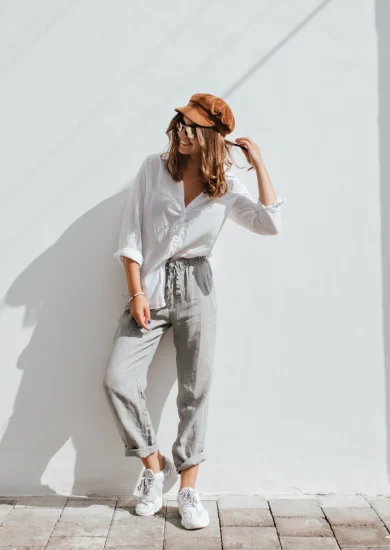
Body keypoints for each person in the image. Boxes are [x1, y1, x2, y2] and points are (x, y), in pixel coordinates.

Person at [103, 93, 285, 530]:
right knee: (118, 379)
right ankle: (154, 466)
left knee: (195, 390)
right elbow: (131, 235)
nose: (183, 133)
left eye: (194, 128)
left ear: (213, 138)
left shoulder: (223, 186)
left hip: (197, 287)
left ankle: (188, 488)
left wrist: (258, 163)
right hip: (149, 285)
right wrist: (136, 294)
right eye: (180, 124)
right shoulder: (153, 168)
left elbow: (269, 223)